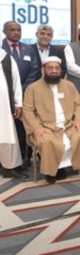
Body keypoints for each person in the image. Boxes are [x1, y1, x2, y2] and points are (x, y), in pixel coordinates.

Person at [22, 56, 80, 183]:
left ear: (60, 70)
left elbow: (79, 105)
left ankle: (67, 166)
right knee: (47, 141)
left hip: (68, 126)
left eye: (56, 68)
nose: (54, 71)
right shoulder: (32, 88)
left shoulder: (69, 85)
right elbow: (27, 111)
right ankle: (51, 171)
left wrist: (78, 121)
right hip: (45, 127)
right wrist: (36, 128)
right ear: (43, 69)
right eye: (50, 68)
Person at [3, 20, 41, 168]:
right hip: (4, 95)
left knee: (23, 127)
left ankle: (24, 157)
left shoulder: (28, 48)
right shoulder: (1, 48)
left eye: (18, 30)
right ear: (4, 32)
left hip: (25, 93)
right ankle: (6, 160)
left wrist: (22, 88)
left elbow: (34, 69)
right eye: (12, 30)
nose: (16, 32)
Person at [0, 46, 26, 179]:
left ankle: (9, 167)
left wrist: (18, 102)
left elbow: (16, 81)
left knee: (7, 134)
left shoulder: (5, 57)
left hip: (4, 105)